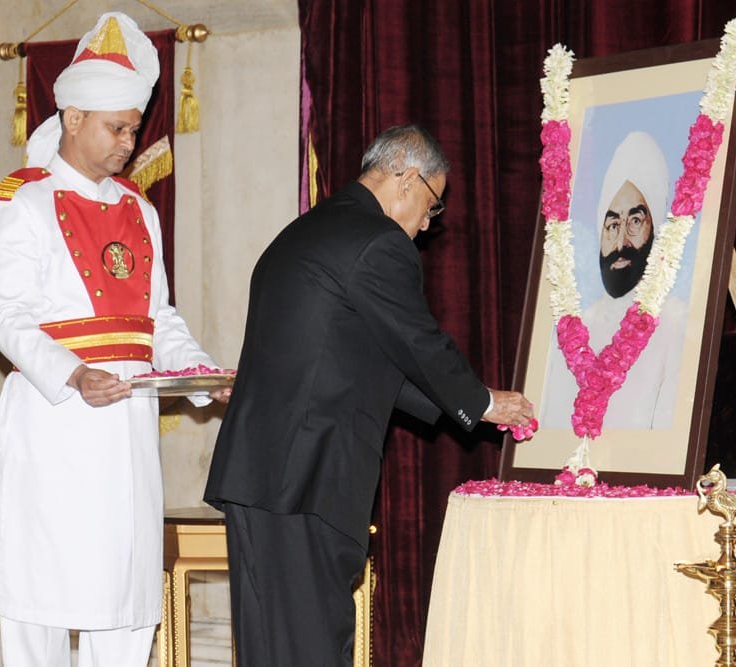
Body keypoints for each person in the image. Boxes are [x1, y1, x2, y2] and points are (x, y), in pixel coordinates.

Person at [204, 124, 535, 665]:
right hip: (307, 479)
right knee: (312, 648)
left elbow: (358, 360)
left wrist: (455, 407)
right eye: (432, 205)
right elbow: (418, 341)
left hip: (260, 477)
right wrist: (481, 402)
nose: (427, 224)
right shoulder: (377, 241)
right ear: (407, 178)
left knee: (268, 649)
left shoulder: (304, 231)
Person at [0, 12, 229, 666]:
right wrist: (71, 372)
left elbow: (158, 319)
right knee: (41, 593)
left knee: (123, 595)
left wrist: (200, 372)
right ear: (72, 118)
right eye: (116, 128)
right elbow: (4, 313)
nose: (129, 141)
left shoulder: (139, 209)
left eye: (133, 128)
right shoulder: (22, 202)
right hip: (53, 420)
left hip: (126, 431)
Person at [541, 130, 687, 430]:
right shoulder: (574, 328)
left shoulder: (676, 322)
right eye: (612, 224)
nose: (621, 243)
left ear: (656, 229)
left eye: (635, 221)